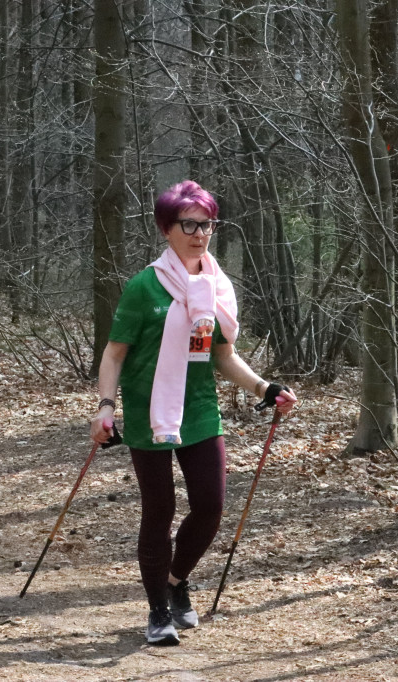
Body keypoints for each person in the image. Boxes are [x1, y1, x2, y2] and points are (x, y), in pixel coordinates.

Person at [89, 180, 297, 646]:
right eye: (190, 224)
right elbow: (115, 353)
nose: (200, 233)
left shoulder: (215, 287)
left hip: (200, 408)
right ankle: (158, 611)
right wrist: (105, 407)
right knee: (158, 511)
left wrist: (264, 387)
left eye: (207, 224)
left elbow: (222, 356)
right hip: (149, 411)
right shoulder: (144, 287)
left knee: (210, 507)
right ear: (167, 229)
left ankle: (176, 581)